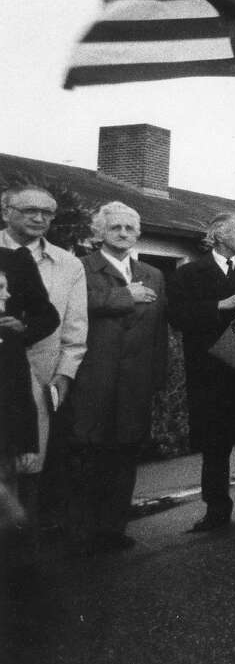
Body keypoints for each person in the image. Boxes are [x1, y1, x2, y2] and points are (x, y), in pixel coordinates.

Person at [67, 202, 168, 554]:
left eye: (129, 228)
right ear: (100, 232)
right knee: (89, 455)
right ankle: (83, 533)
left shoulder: (153, 273)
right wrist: (125, 295)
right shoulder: (81, 268)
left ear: (138, 233)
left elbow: (159, 332)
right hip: (94, 379)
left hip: (135, 383)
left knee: (125, 453)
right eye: (115, 228)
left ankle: (114, 529)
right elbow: (75, 305)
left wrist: (158, 378)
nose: (123, 234)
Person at [167, 213, 235, 532]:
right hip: (208, 370)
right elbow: (176, 315)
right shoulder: (189, 273)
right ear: (218, 235)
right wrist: (218, 306)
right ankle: (216, 508)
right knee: (214, 442)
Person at [0, 186, 87, 549]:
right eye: (30, 210)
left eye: (48, 213)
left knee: (29, 465)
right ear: (6, 212)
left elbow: (74, 326)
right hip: (6, 373)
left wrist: (65, 374)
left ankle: (23, 550)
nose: (39, 219)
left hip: (43, 377)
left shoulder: (69, 263)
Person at [0, 246, 60, 582]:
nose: (8, 296)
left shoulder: (11, 259)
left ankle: (18, 567)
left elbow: (18, 394)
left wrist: (20, 328)